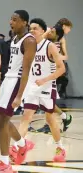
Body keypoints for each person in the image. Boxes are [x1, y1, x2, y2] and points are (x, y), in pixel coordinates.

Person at [0, 10, 37, 173]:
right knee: (1, 120)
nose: (11, 22)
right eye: (11, 19)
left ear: (24, 22)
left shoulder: (29, 41)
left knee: (2, 121)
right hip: (8, 79)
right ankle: (23, 144)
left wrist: (19, 95)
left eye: (15, 20)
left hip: (16, 82)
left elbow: (26, 70)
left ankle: (5, 164)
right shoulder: (15, 38)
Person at [11, 18, 66, 163]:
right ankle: (17, 147)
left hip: (47, 86)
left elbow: (62, 68)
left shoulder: (50, 46)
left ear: (43, 30)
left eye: (35, 28)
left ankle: (60, 147)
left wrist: (45, 79)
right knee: (25, 118)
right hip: (32, 87)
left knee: (50, 119)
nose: (32, 31)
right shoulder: (29, 45)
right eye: (30, 28)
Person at [36, 21, 73, 133]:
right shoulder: (47, 41)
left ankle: (49, 124)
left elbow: (65, 56)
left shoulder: (53, 44)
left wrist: (57, 58)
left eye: (52, 31)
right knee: (44, 101)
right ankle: (64, 117)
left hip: (50, 73)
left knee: (46, 100)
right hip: (42, 72)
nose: (49, 32)